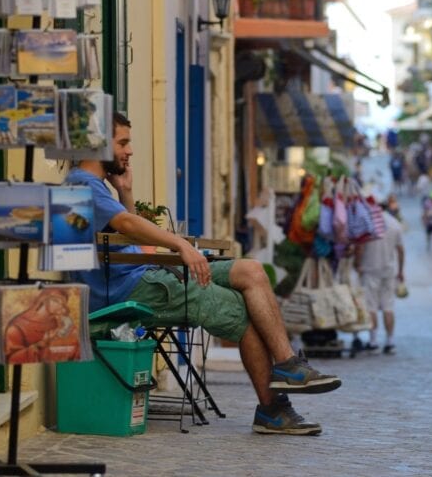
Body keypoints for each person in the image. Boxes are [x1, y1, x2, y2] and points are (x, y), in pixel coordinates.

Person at [65, 112, 341, 436]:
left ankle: (287, 364)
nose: (129, 151)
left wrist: (126, 192)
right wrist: (181, 245)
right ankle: (272, 409)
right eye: (123, 142)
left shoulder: (97, 187)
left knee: (251, 271)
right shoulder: (81, 184)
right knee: (243, 309)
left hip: (145, 276)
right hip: (127, 291)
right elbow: (127, 226)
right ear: (98, 144)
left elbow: (127, 234)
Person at [354, 209, 405, 355]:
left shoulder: (369, 223)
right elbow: (401, 250)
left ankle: (373, 341)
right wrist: (401, 271)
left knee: (371, 307)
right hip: (389, 271)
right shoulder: (395, 224)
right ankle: (390, 342)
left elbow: (360, 247)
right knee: (388, 306)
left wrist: (357, 264)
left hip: (370, 270)